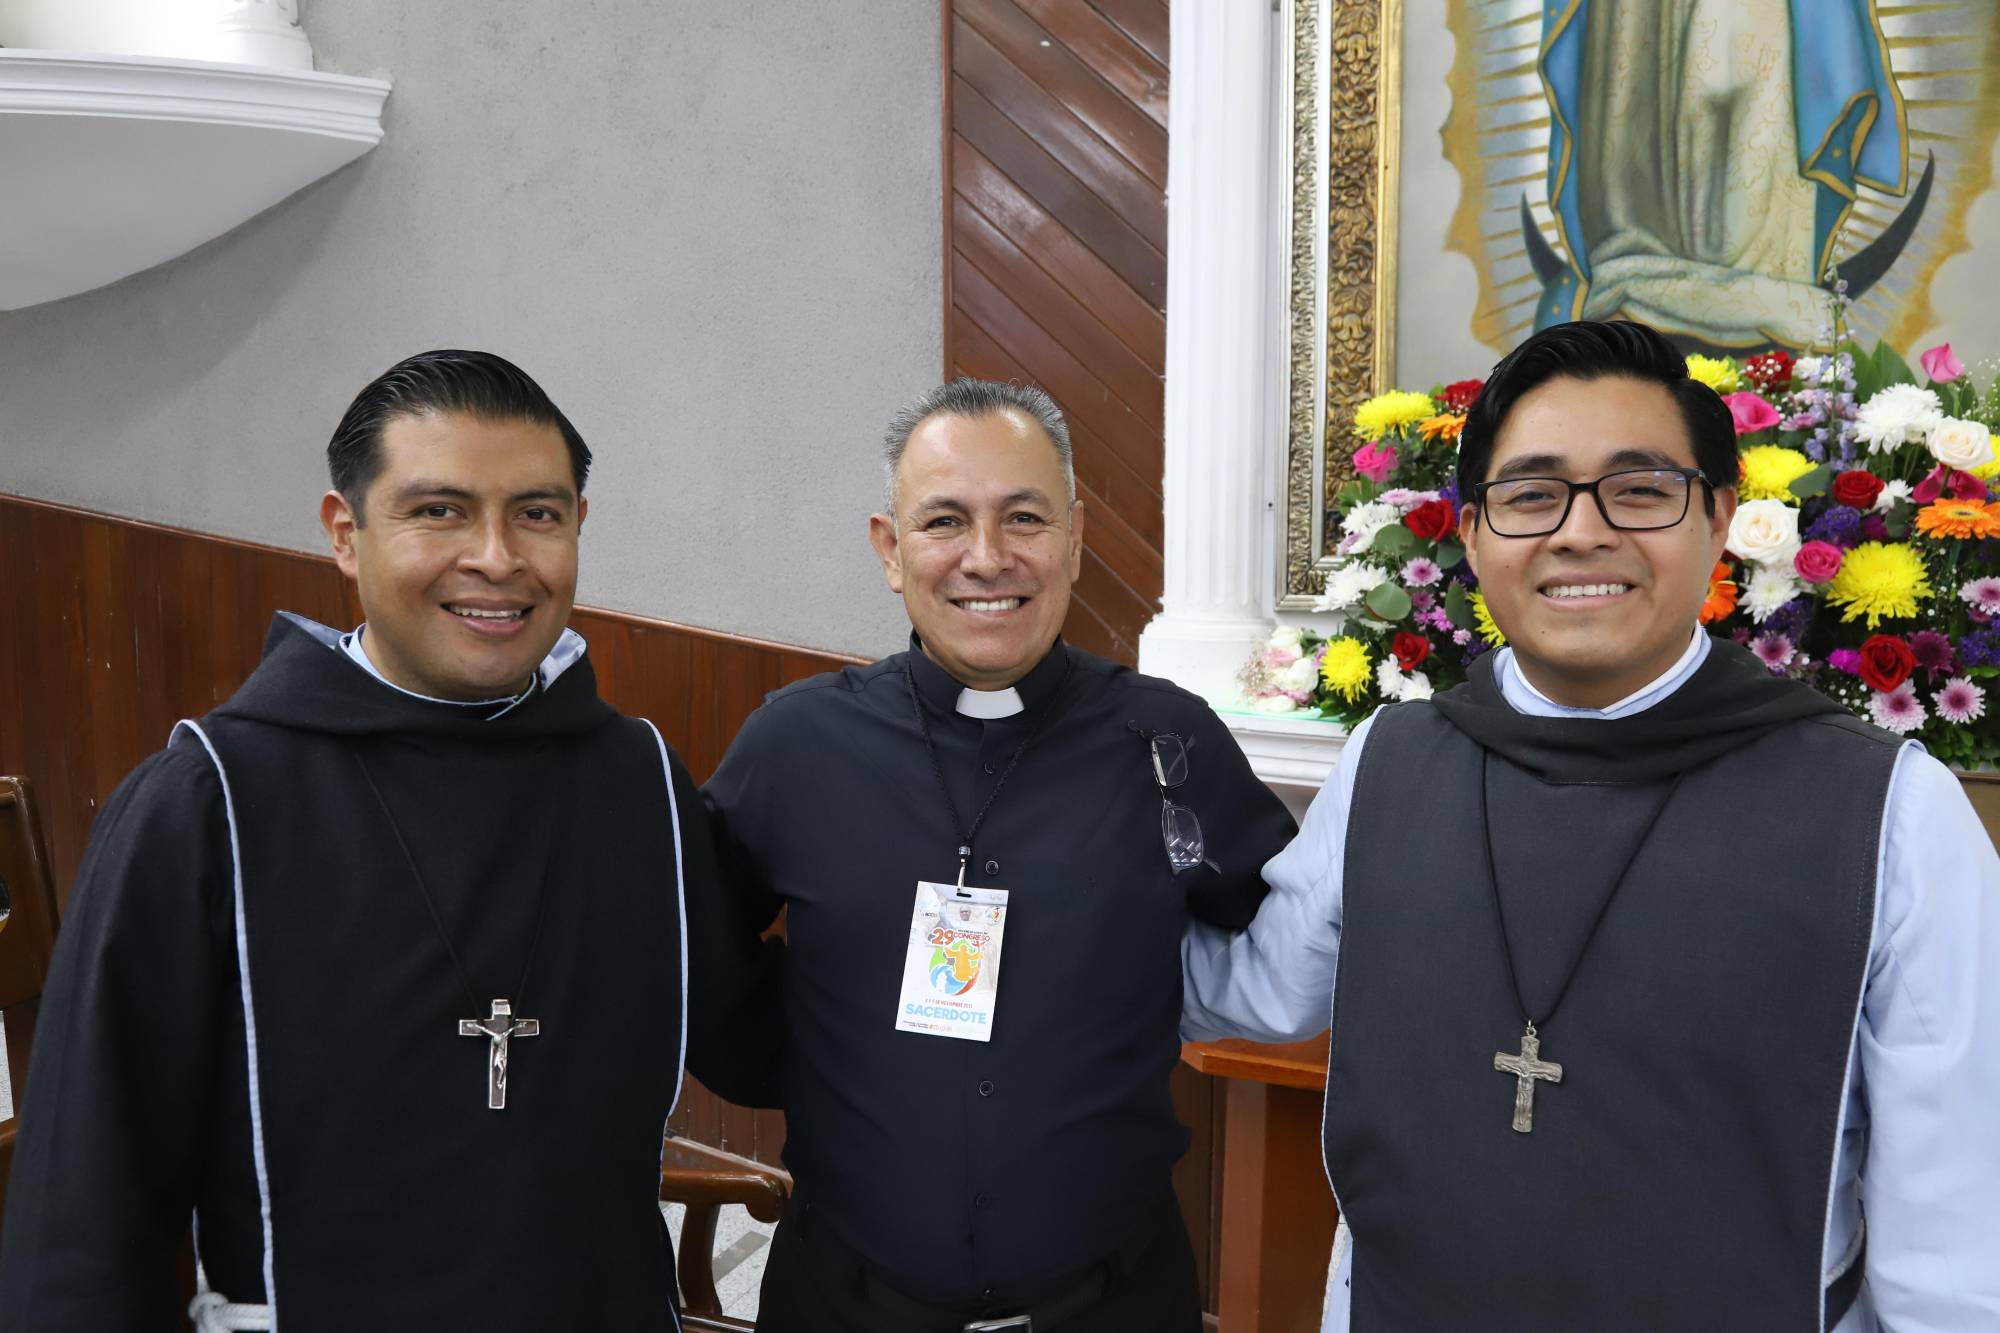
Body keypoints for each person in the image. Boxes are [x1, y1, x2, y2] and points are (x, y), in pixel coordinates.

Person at [1184, 320, 2000, 1330]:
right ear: (1472, 533)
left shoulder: (1887, 814)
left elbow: (1955, 1255)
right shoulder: (1391, 763)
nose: (1580, 532)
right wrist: (1070, 888)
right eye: (1530, 494)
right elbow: (1256, 989)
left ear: (1718, 519)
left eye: (1639, 489)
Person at [0, 350, 780, 1331]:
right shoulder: (208, 803)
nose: (496, 556)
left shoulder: (639, 782)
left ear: (577, 526)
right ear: (345, 533)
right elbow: (83, 1214)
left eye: (536, 513)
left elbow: (762, 1043)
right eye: (437, 511)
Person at [704, 378, 1296, 1332]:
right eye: (944, 520)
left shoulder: (1168, 745)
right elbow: (704, 954)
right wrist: (814, 1065)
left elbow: (1278, 931)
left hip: (1115, 1304)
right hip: (845, 1303)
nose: (987, 558)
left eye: (1024, 517)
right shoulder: (795, 745)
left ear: (1074, 536)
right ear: (890, 551)